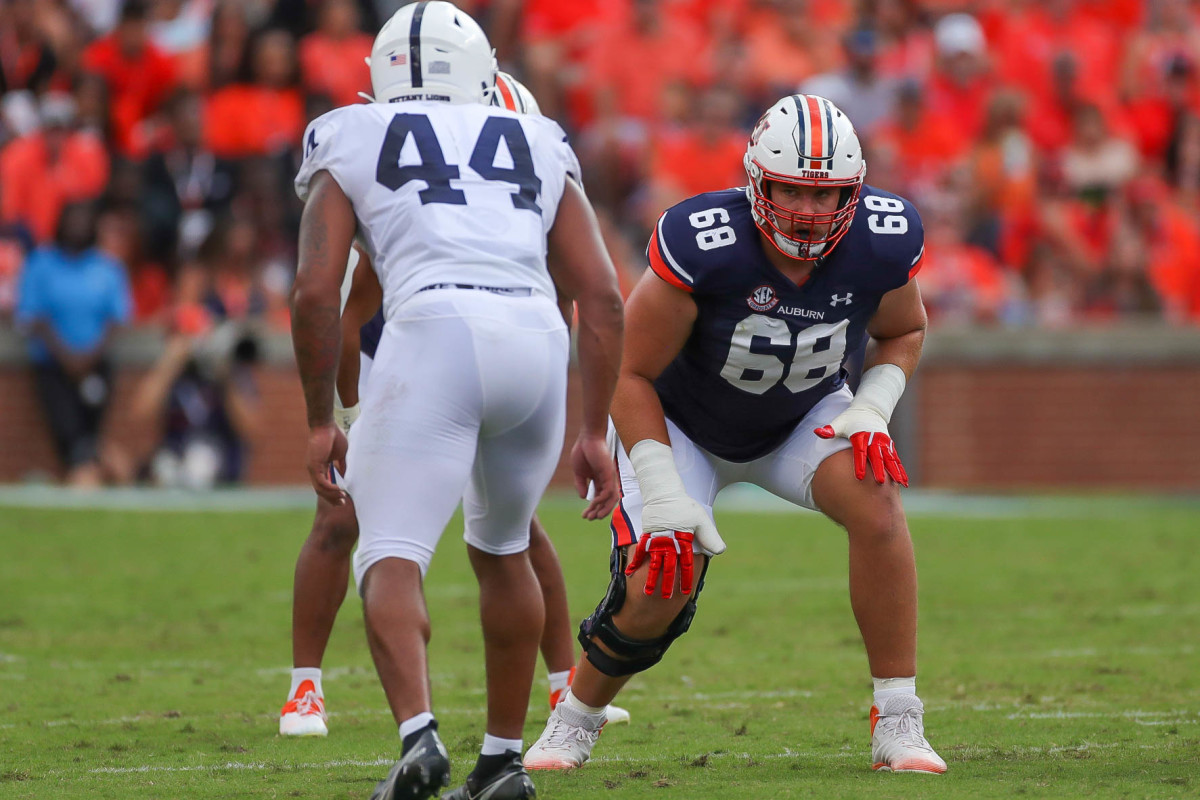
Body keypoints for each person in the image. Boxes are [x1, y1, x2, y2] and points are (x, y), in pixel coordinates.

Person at [523, 93, 948, 775]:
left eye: (829, 195)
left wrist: (874, 401)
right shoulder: (704, 241)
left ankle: (897, 718)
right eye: (792, 192)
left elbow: (904, 329)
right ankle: (576, 717)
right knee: (664, 578)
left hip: (798, 418)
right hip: (679, 421)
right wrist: (661, 488)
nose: (810, 212)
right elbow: (630, 373)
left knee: (877, 498)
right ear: (758, 181)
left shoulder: (882, 237)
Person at [288, 4, 624, 799]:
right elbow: (604, 298)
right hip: (536, 337)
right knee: (504, 548)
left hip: (432, 327)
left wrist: (317, 420)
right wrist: (595, 429)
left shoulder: (349, 131)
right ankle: (504, 760)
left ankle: (418, 740)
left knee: (390, 555)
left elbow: (314, 291)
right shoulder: (536, 136)